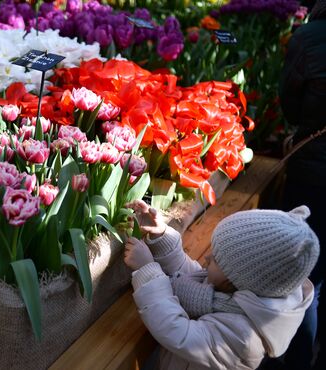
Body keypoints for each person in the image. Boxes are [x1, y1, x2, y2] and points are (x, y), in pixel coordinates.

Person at [123, 200, 318, 370]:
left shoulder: (244, 337)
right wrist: (162, 237)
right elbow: (195, 278)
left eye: (216, 260)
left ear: (240, 280)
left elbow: (178, 333)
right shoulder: (239, 292)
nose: (207, 257)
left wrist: (148, 271)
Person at [278, 1, 326, 369]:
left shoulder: (310, 37)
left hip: (315, 176)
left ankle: (294, 361)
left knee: (301, 278)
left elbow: (291, 107)